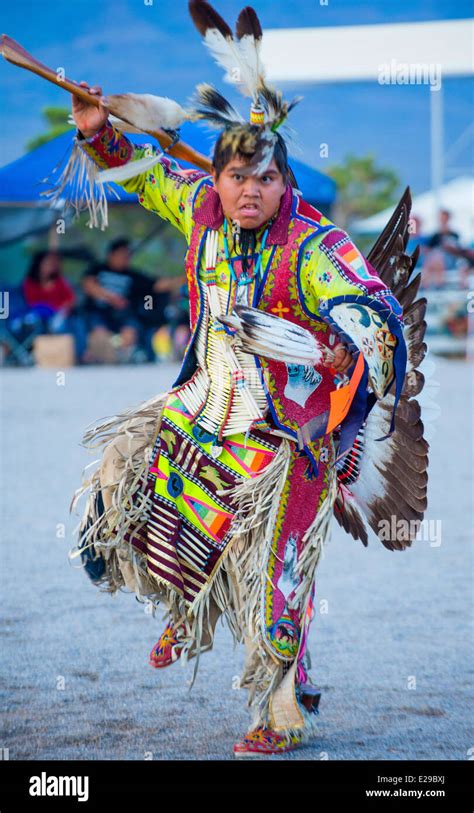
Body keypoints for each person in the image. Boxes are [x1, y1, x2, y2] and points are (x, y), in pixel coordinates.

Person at [67, 1, 428, 758]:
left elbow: (373, 306)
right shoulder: (202, 212)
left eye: (264, 177)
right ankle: (180, 602)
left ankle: (282, 709)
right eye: (237, 178)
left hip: (292, 433)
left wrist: (347, 343)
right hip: (206, 411)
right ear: (222, 179)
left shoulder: (312, 243)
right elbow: (140, 175)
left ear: (281, 176)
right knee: (128, 476)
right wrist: (97, 131)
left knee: (274, 573)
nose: (250, 192)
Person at [83, 237, 185, 362]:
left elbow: (158, 285)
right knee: (99, 334)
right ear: (111, 255)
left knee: (131, 331)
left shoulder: (133, 276)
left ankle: (124, 354)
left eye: (127, 255)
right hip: (98, 314)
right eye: (122, 254)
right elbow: (89, 285)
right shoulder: (98, 269)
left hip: (124, 315)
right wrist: (110, 298)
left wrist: (184, 278)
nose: (125, 258)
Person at [22, 250, 87, 362]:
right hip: (39, 317)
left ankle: (78, 354)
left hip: (60, 315)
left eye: (52, 264)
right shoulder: (30, 282)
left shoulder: (59, 281)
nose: (51, 267)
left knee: (75, 322)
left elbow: (71, 299)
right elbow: (31, 302)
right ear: (39, 265)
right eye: (47, 263)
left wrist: (64, 308)